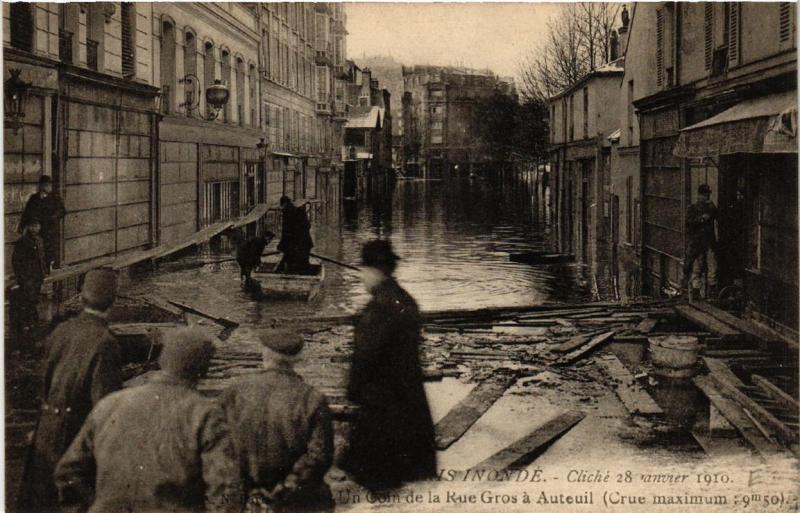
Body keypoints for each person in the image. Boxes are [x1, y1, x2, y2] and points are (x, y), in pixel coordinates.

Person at [55, 327, 244, 513]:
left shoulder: (110, 403)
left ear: (162, 360)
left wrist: (91, 507)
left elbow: (68, 472)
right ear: (204, 368)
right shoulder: (204, 414)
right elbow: (226, 491)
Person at [17, 268, 122, 512]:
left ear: (82, 298)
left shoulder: (61, 331)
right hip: (74, 438)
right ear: (113, 302)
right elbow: (104, 408)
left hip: (45, 433)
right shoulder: (105, 342)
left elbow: (43, 383)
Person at [339, 239, 437, 492]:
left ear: (374, 272)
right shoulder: (405, 300)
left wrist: (353, 391)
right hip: (410, 401)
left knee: (378, 475)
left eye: (363, 271)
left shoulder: (379, 308)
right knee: (406, 474)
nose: (362, 278)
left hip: (382, 406)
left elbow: (364, 357)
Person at [220, 329, 334, 513]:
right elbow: (320, 456)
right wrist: (286, 486)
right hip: (294, 500)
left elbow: (218, 448)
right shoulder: (313, 398)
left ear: (264, 355)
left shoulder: (233, 393)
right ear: (297, 359)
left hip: (244, 497)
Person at [11, 217, 48, 341]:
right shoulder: (22, 242)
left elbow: (41, 259)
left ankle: (32, 324)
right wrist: (22, 277)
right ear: (28, 227)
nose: (36, 228)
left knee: (33, 300)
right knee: (27, 301)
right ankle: (27, 326)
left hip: (37, 278)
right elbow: (16, 262)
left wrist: (44, 272)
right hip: (27, 279)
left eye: (37, 225)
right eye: (33, 226)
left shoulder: (39, 240)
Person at [21, 175, 66, 271]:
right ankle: (37, 268)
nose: (48, 187)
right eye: (45, 185)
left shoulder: (55, 198)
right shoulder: (34, 198)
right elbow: (26, 213)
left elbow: (62, 211)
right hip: (36, 229)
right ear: (40, 186)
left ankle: (47, 268)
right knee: (35, 249)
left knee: (49, 249)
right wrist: (22, 226)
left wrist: (53, 217)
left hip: (49, 229)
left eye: (49, 185)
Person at [682, 184, 718, 300]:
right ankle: (696, 295)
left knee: (712, 269)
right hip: (697, 245)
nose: (706, 197)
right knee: (697, 269)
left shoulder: (711, 208)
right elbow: (689, 223)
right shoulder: (692, 209)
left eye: (707, 195)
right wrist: (702, 219)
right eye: (704, 195)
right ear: (699, 196)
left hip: (709, 244)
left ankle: (711, 294)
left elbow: (717, 215)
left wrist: (711, 207)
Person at [277, 196, 313, 275]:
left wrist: (281, 245)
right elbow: (308, 226)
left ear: (283, 204)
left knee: (291, 264)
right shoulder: (300, 211)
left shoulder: (286, 212)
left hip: (295, 245)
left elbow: (286, 232)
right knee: (303, 264)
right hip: (305, 243)